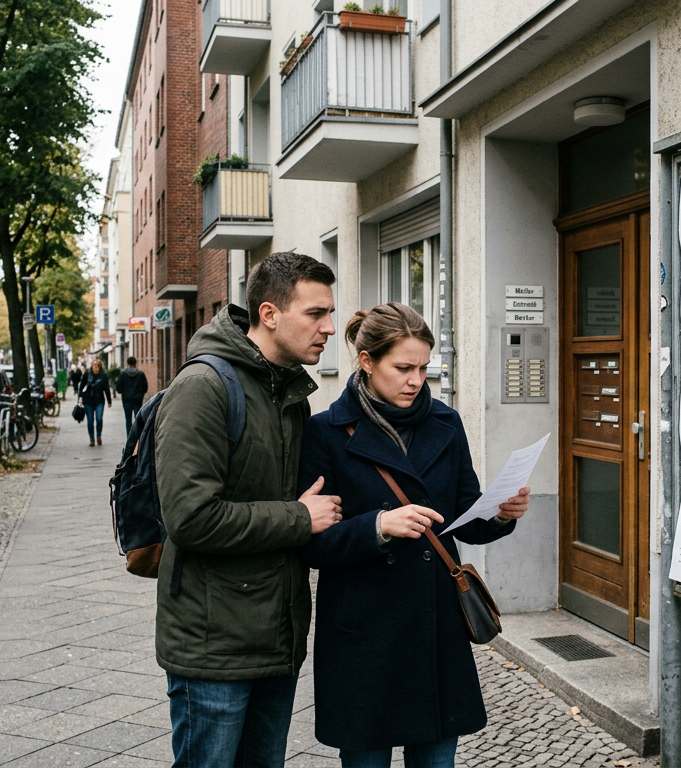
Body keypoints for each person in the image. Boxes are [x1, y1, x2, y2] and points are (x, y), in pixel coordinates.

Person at [299, 303, 531, 768]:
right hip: (362, 635)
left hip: (434, 628)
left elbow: (464, 518)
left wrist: (503, 514)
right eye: (402, 368)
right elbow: (311, 543)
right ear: (366, 361)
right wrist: (377, 526)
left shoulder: (446, 423)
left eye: (424, 367)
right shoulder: (325, 431)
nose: (415, 380)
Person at [154, 253, 343, 768]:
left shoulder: (288, 395)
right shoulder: (204, 388)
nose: (329, 327)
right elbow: (190, 517)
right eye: (315, 313)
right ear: (269, 313)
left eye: (330, 313)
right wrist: (299, 519)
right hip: (212, 643)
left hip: (275, 636)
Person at [79, 358, 112, 446]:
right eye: (94, 366)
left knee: (99, 419)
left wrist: (109, 401)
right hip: (88, 401)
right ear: (91, 366)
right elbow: (81, 386)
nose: (95, 368)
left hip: (99, 401)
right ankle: (91, 438)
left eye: (97, 366)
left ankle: (99, 436)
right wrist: (80, 397)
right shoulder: (87, 374)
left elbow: (107, 389)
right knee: (90, 420)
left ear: (100, 367)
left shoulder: (103, 376)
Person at [115, 356, 149, 434]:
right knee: (138, 418)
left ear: (127, 363)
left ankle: (129, 438)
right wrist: (141, 394)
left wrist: (123, 392)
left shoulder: (123, 374)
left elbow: (118, 388)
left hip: (126, 399)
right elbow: (145, 387)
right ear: (135, 363)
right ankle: (138, 437)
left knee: (128, 419)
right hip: (138, 399)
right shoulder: (140, 374)